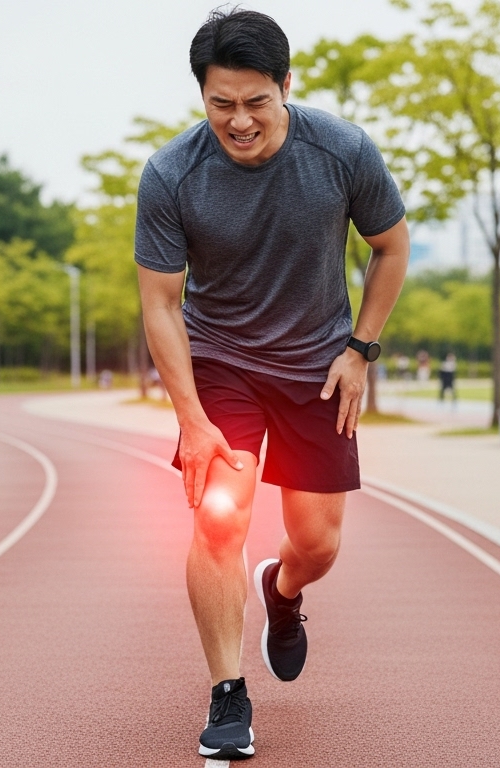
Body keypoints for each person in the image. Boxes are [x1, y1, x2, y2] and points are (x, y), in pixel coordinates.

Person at [135, 9, 409, 760]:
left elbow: (390, 247)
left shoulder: (342, 150)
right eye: (222, 103)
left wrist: (360, 349)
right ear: (202, 96)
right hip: (222, 361)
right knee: (220, 518)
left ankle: (282, 591)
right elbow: (160, 302)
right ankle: (228, 695)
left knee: (317, 545)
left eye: (257, 101)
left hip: (319, 367)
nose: (240, 120)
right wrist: (190, 417)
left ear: (287, 85)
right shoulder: (171, 174)